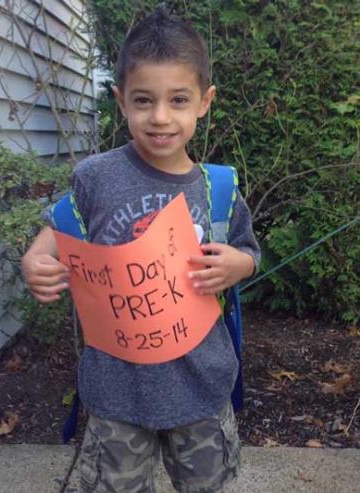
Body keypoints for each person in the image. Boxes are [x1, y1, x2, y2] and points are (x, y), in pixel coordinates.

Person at [22, 8, 260, 493]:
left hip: (200, 387)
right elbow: (62, 227)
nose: (160, 117)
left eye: (178, 100)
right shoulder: (97, 177)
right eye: (143, 100)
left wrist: (240, 265)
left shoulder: (217, 187)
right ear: (121, 101)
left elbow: (248, 252)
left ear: (204, 102)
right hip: (117, 393)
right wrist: (35, 258)